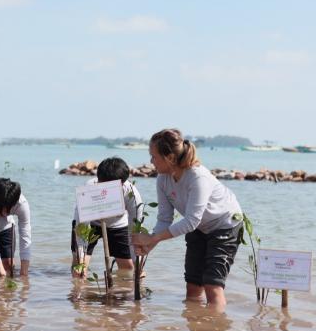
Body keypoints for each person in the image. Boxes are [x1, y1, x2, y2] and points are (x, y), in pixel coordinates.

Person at [132, 129, 243, 310]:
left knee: (212, 286)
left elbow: (191, 221)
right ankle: (196, 330)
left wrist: (152, 238)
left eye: (153, 156)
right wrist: (148, 246)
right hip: (199, 228)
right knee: (192, 285)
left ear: (169, 157)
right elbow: (164, 219)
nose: (151, 161)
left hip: (225, 224)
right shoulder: (162, 179)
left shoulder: (197, 177)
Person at [70, 157, 143, 277]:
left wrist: (138, 264)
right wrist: (81, 259)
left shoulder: (132, 195)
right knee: (79, 267)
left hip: (118, 225)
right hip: (91, 224)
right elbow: (81, 226)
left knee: (128, 269)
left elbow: (135, 230)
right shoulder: (89, 189)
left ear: (121, 184)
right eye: (101, 184)